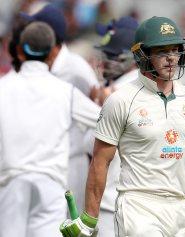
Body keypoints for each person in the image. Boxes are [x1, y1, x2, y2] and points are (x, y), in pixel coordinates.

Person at [60, 16, 185, 237]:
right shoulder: (121, 100)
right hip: (138, 207)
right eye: (161, 51)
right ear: (142, 55)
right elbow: (100, 161)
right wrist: (89, 218)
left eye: (175, 50)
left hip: (181, 207)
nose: (171, 59)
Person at [0, 22, 99, 237]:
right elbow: (104, 120)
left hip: (11, 181)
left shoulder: (3, 87)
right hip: (50, 182)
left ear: (20, 51)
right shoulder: (65, 91)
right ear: (51, 54)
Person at [20, 4, 100, 212]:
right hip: (45, 162)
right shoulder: (40, 67)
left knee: (69, 224)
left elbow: (100, 113)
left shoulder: (75, 68)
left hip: (72, 163)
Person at [92, 16, 139, 237]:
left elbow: (90, 146)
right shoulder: (141, 88)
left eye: (111, 56)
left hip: (113, 202)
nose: (103, 63)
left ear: (130, 59)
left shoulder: (117, 95)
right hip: (136, 205)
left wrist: (94, 107)